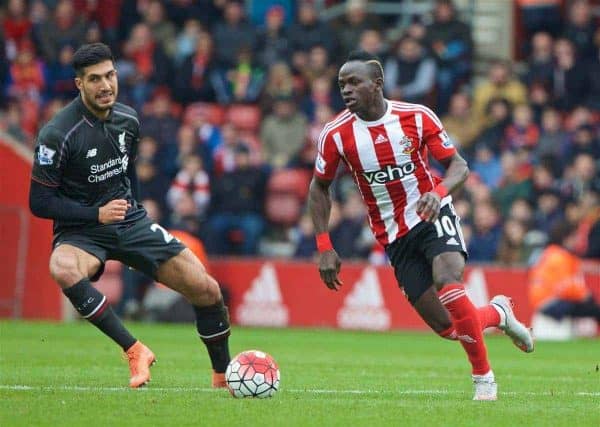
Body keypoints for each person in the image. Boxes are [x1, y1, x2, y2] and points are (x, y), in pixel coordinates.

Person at [308, 50, 534, 401]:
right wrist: (324, 245)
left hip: (432, 214)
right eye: (341, 85)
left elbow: (459, 166)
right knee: (449, 328)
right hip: (393, 236)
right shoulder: (335, 134)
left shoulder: (416, 116)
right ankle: (498, 313)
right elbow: (319, 188)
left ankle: (484, 380)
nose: (346, 91)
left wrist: (438, 192)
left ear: (377, 84)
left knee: (448, 278)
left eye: (354, 82)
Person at [28, 43, 231, 389]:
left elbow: (127, 170)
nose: (105, 85)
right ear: (79, 84)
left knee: (207, 289)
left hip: (131, 222)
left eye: (110, 76)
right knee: (61, 267)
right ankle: (134, 349)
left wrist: (134, 210)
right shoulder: (57, 134)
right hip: (83, 231)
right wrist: (96, 214)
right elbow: (39, 202)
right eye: (94, 79)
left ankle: (223, 377)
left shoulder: (129, 120)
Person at [529, 223, 600, 324]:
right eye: (574, 237)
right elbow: (566, 286)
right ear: (566, 238)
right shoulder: (561, 257)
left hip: (541, 301)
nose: (577, 241)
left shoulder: (549, 253)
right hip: (552, 302)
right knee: (595, 310)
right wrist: (585, 295)